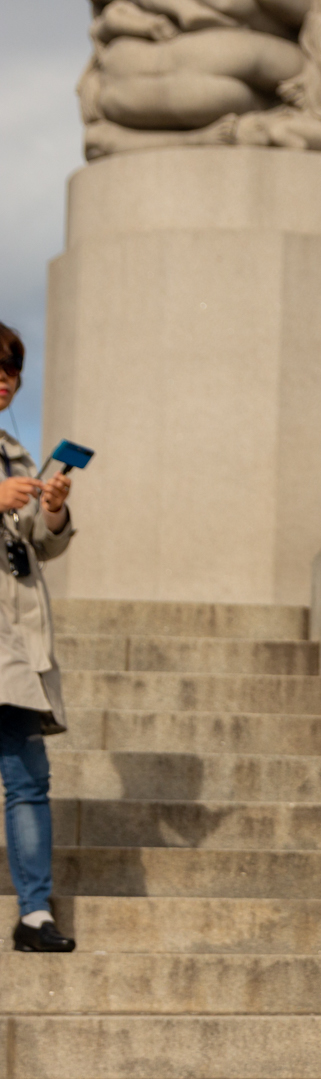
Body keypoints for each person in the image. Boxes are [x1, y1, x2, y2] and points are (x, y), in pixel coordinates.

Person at [0, 324, 78, 953]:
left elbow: (39, 545)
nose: (5, 378)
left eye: (13, 370)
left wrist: (51, 507)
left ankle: (34, 915)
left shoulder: (18, 455)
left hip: (14, 643)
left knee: (28, 775)